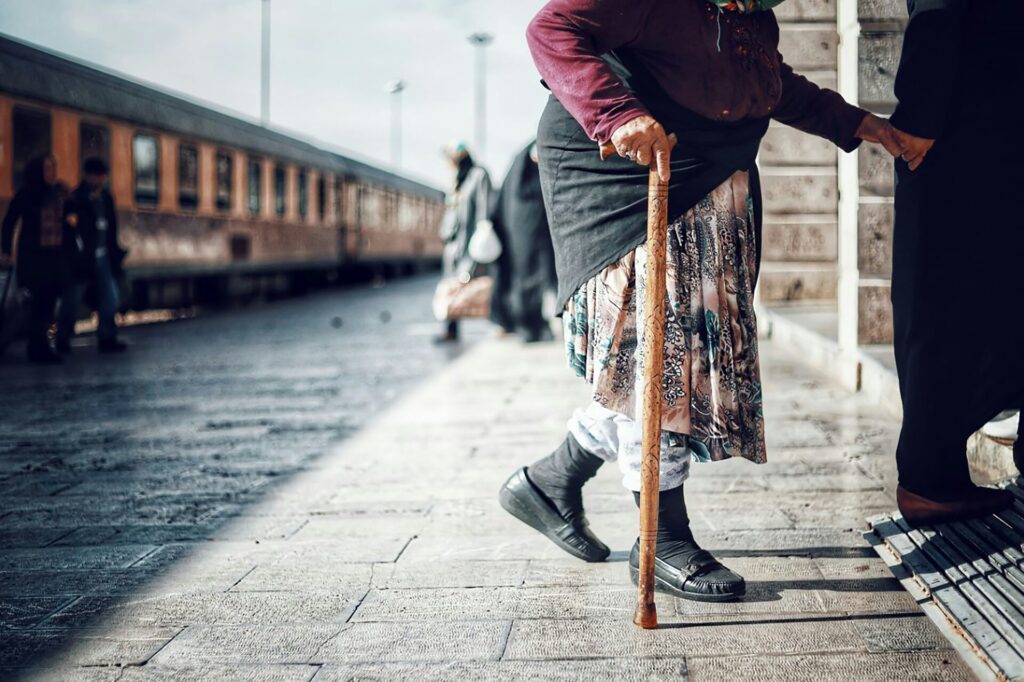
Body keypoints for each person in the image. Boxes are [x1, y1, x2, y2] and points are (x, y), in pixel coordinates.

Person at [499, 0, 905, 602]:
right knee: (656, 360)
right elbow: (551, 29)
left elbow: (767, 84)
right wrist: (616, 115)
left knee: (665, 359)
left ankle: (550, 480)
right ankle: (662, 537)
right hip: (625, 183)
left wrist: (863, 125)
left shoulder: (752, 15)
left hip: (709, 177)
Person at [887, 0, 1024, 525]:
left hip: (981, 133)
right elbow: (937, 17)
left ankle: (932, 474)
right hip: (969, 139)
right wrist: (918, 120)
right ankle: (930, 479)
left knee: (969, 297)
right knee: (948, 303)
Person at [1, 155, 72, 364]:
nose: (52, 173)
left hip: (55, 257)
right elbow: (9, 222)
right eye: (48, 169)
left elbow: (72, 213)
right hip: (34, 258)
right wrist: (6, 250)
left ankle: (40, 346)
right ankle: (38, 347)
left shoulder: (58, 193)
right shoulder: (27, 194)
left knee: (48, 303)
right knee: (38, 303)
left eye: (53, 168)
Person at [57, 157, 128, 354]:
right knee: (72, 301)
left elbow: (112, 228)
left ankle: (107, 337)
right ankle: (63, 338)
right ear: (88, 176)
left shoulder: (106, 198)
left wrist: (115, 253)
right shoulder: (76, 198)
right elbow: (69, 228)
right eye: (97, 176)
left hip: (103, 255)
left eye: (102, 176)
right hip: (82, 258)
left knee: (110, 299)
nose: (100, 180)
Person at [489, 142, 558, 343]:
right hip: (524, 246)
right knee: (526, 285)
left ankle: (534, 326)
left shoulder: (524, 183)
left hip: (534, 243)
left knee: (535, 283)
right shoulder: (522, 185)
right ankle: (528, 326)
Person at [435, 143, 493, 343]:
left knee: (474, 283)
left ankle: (498, 321)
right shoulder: (455, 181)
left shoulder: (478, 175)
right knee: (451, 286)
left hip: (470, 244)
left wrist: (484, 230)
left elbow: (484, 209)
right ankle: (450, 328)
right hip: (453, 246)